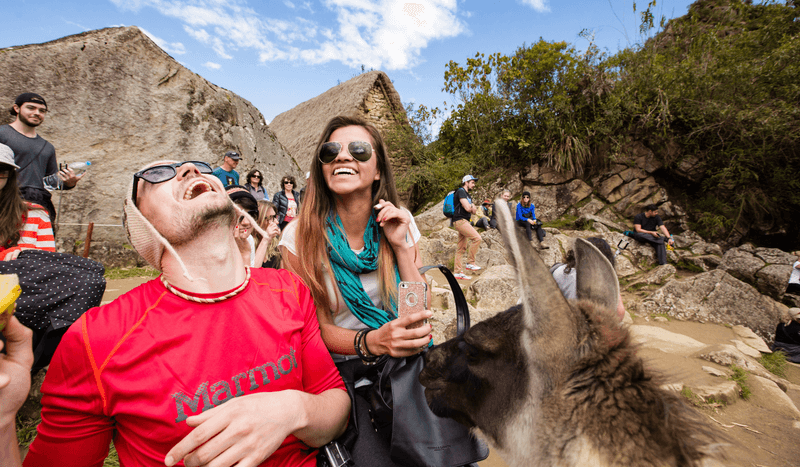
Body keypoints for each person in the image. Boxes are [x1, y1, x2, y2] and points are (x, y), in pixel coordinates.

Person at [0, 160, 349, 467]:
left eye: (200, 167)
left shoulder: (288, 289)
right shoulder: (96, 339)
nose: (190, 169)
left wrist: (293, 410)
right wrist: (3, 420)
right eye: (157, 174)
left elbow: (336, 409)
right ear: (142, 225)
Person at [280, 115, 432, 466]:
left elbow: (416, 315)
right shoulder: (299, 238)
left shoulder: (400, 220)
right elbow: (313, 332)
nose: (343, 156)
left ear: (378, 171)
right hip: (339, 371)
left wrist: (400, 247)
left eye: (359, 150)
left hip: (401, 361)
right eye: (331, 150)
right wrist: (373, 341)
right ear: (322, 167)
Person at [0, 93, 84, 222]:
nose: (37, 113)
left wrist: (68, 183)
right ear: (17, 108)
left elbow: (50, 182)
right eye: (31, 108)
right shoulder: (2, 134)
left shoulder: (47, 147)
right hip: (6, 202)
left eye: (42, 110)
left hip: (39, 204)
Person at [550, 237, 626, 322]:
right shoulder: (598, 283)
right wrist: (611, 280)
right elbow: (620, 313)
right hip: (578, 324)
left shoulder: (558, 270)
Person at [0, 143, 55, 260]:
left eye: (1, 171)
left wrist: (26, 254)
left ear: (10, 176)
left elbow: (48, 263)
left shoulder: (35, 215)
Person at [452, 174, 482, 280]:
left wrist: (471, 207)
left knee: (461, 248)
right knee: (477, 238)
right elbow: (468, 208)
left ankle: (457, 272)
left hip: (464, 221)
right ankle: (470, 263)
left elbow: (473, 211)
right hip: (460, 221)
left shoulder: (468, 195)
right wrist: (471, 206)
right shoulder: (461, 191)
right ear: (466, 182)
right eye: (472, 182)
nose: (474, 185)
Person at [226, 185, 260, 267]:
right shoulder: (211, 244)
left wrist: (245, 255)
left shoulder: (248, 239)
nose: (246, 222)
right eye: (237, 216)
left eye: (251, 215)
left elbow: (251, 272)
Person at [254, 200, 281, 268]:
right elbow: (253, 270)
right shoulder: (248, 242)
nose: (276, 222)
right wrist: (265, 239)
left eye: (275, 217)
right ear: (258, 220)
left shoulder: (276, 243)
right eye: (270, 218)